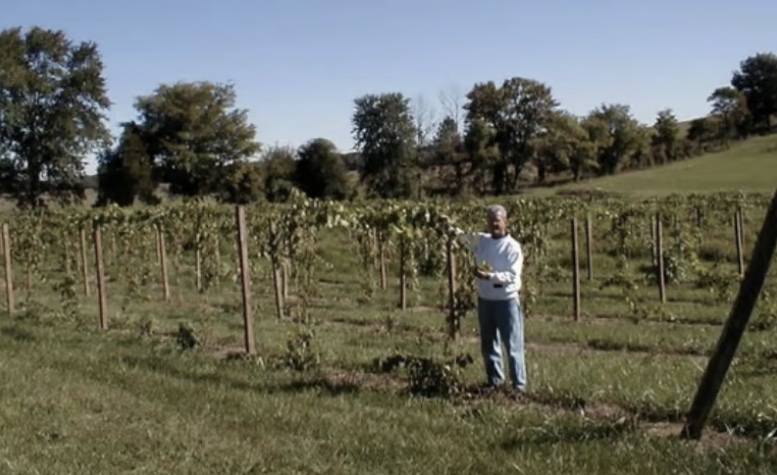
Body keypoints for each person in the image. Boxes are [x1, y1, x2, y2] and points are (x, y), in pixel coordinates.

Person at [456, 205, 526, 392]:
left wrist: (490, 276)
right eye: (491, 221)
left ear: (505, 222)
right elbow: (461, 236)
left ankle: (518, 386)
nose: (494, 224)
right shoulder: (482, 241)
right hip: (485, 300)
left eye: (498, 221)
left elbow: (512, 276)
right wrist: (444, 223)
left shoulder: (513, 247)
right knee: (489, 344)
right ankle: (495, 382)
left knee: (512, 345)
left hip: (506, 301)